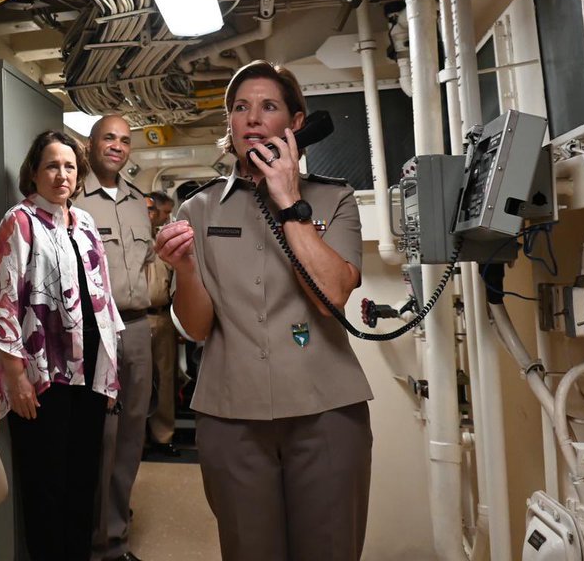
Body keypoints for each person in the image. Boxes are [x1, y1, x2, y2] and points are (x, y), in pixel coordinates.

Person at [155, 60, 372, 561]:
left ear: (297, 124)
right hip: (231, 418)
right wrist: (186, 270)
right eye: (240, 108)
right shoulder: (199, 209)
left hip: (327, 411)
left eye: (268, 106)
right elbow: (196, 328)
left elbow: (331, 295)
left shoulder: (335, 200)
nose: (251, 117)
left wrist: (290, 200)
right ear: (229, 125)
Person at [0, 130, 125, 561]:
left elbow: (103, 299)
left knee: (82, 487)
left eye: (70, 166)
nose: (62, 174)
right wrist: (15, 378)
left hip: (91, 375)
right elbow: (2, 301)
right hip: (42, 381)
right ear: (35, 172)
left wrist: (110, 376)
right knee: (45, 491)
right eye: (52, 165)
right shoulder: (19, 221)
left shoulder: (86, 224)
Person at [78, 116, 154, 561]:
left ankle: (116, 538)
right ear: (91, 144)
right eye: (108, 138)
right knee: (101, 437)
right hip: (97, 331)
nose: (117, 147)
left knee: (130, 434)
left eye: (125, 141)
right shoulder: (75, 198)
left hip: (139, 328)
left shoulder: (136, 201)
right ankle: (94, 542)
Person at [144, 191, 179, 459]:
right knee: (136, 382)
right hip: (134, 316)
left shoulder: (165, 242)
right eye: (165, 212)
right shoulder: (133, 240)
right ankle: (137, 436)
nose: (168, 217)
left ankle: (163, 436)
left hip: (163, 315)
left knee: (165, 378)